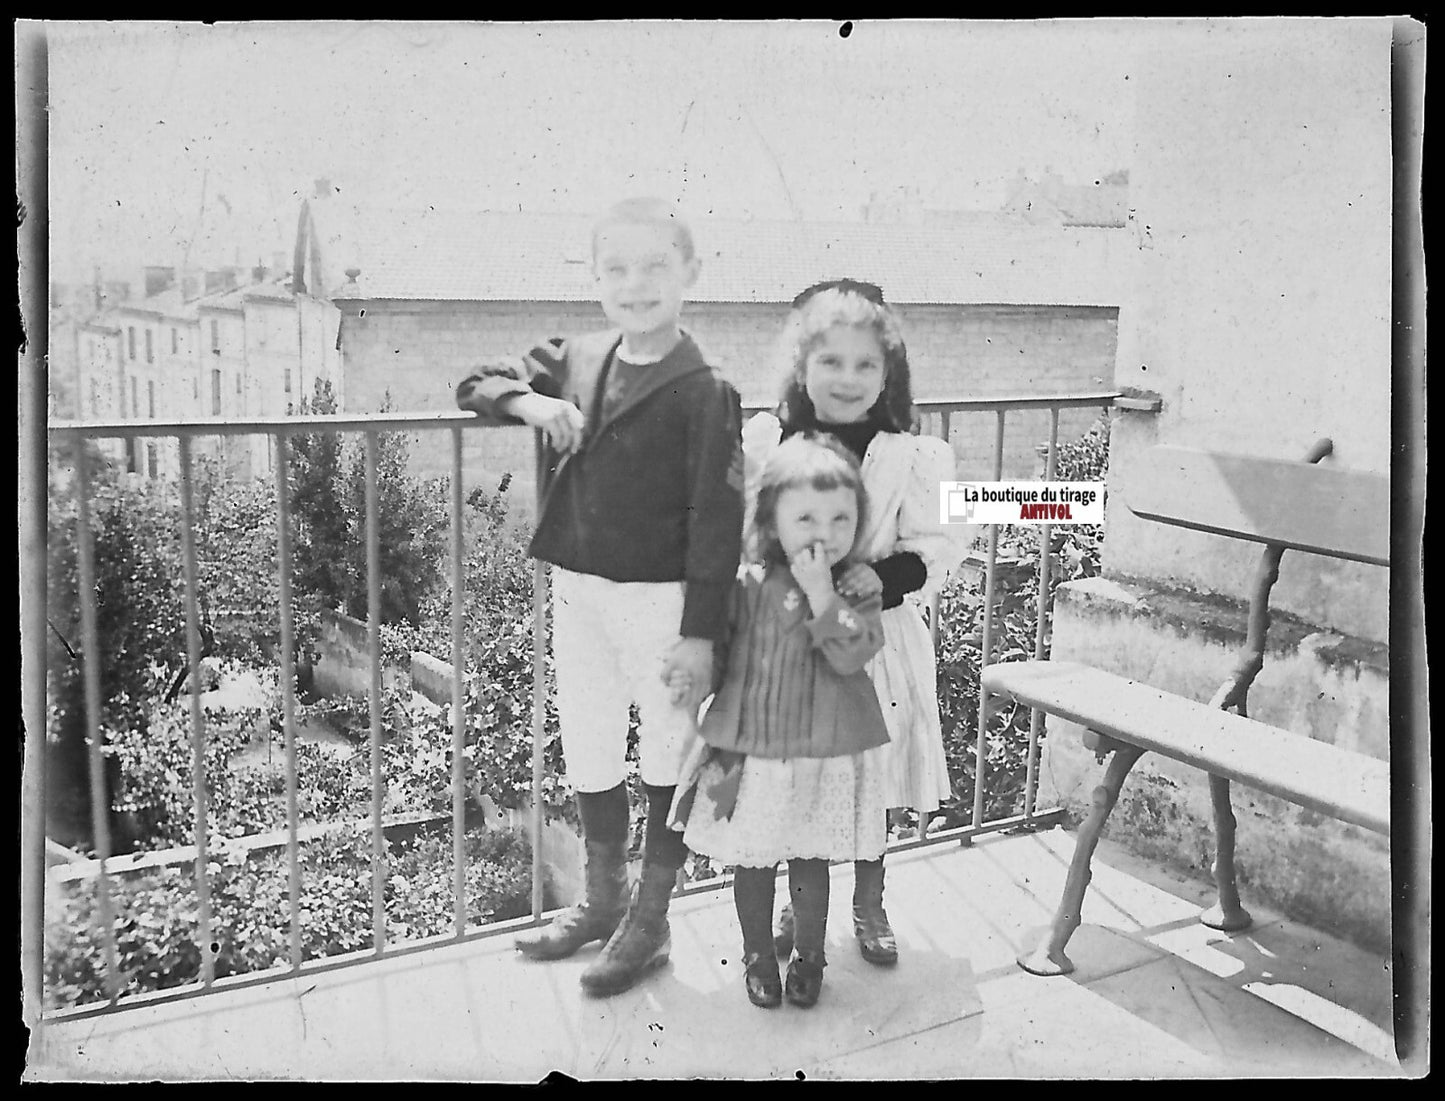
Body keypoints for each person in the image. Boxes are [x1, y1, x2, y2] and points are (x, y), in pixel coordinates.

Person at [455, 197, 744, 997]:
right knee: (587, 740)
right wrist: (530, 402)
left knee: (665, 753)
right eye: (615, 268)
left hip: (663, 603)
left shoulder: (705, 387)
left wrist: (700, 633)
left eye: (654, 266)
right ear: (593, 277)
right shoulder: (575, 357)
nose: (634, 284)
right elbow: (473, 380)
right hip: (578, 590)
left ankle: (649, 919)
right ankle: (602, 900)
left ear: (691, 272)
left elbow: (718, 520)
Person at [746, 280, 967, 968]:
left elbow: (941, 545)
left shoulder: (911, 454)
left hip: (874, 638)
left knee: (873, 773)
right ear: (801, 365)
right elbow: (742, 528)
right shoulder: (768, 439)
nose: (847, 378)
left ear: (887, 371)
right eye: (830, 361)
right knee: (798, 772)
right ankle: (799, 900)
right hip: (791, 639)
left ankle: (869, 899)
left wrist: (887, 574)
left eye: (865, 364)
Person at [669, 433, 890, 1008]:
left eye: (841, 519)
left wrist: (821, 593)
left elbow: (852, 654)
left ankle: (811, 956)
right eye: (806, 518)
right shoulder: (746, 585)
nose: (825, 533)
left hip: (821, 752)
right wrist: (695, 679)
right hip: (756, 751)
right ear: (772, 521)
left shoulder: (855, 587)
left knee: (810, 860)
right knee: (754, 860)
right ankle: (759, 956)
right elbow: (721, 655)